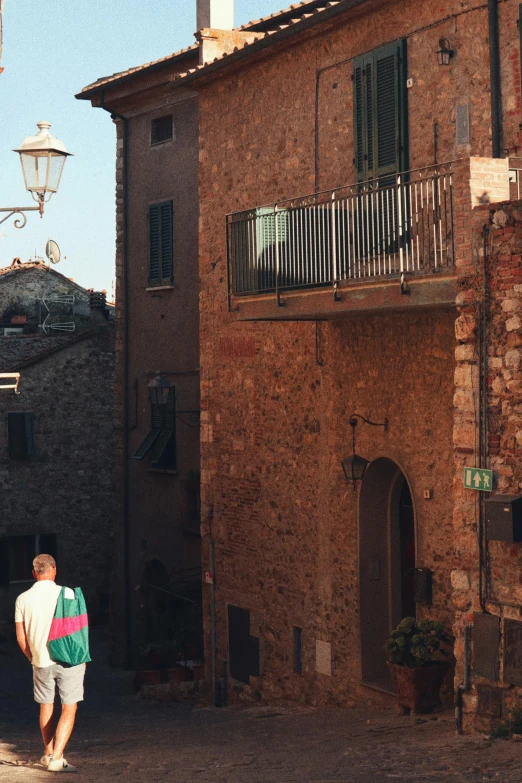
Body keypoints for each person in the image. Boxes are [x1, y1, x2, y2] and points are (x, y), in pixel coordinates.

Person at [14, 554, 85, 773]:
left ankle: (48, 752)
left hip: (40, 660)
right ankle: (57, 758)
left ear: (34, 573)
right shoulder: (68, 593)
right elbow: (78, 630)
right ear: (54, 569)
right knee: (69, 707)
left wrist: (33, 657)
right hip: (67, 659)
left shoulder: (22, 599)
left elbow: (20, 637)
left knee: (46, 706)